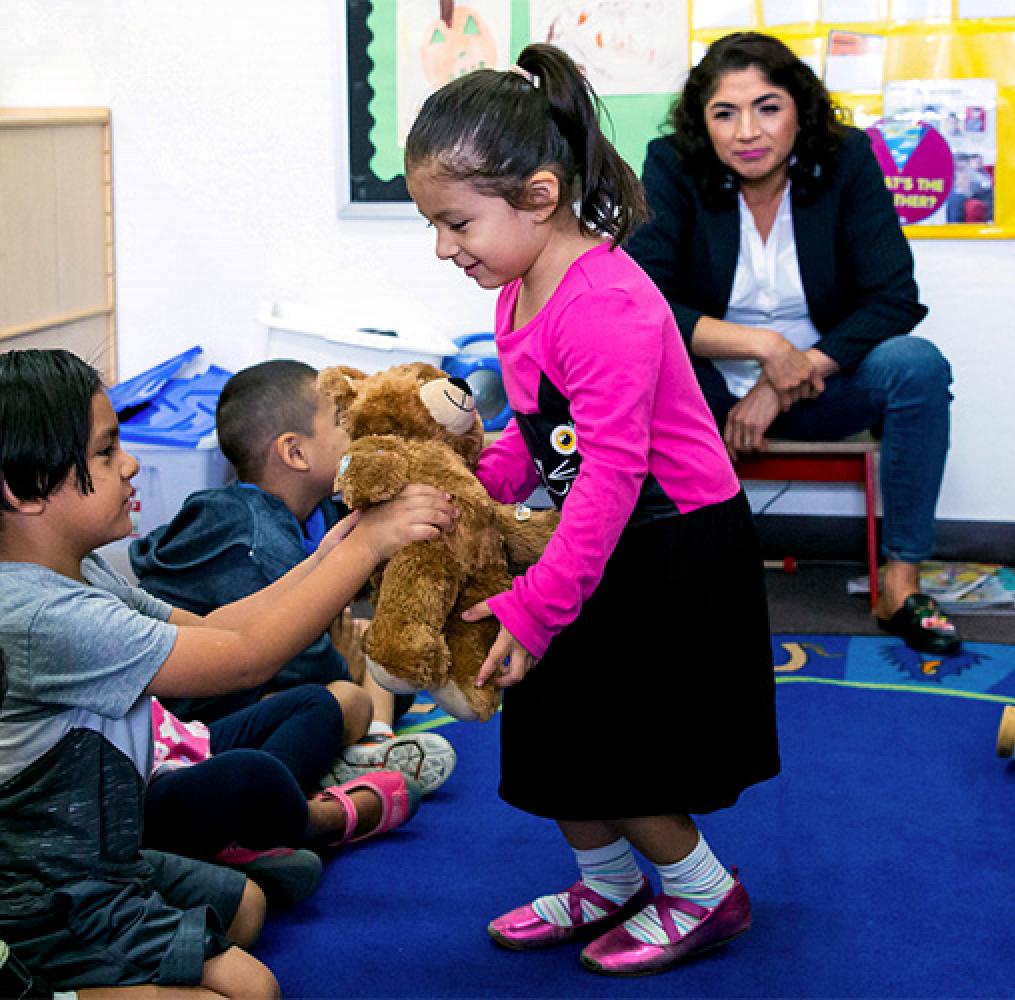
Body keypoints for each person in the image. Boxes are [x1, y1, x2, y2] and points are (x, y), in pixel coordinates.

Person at [404, 43, 779, 978]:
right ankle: (607, 876)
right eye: (434, 227)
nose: (446, 248)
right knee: (550, 718)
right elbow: (541, 436)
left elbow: (611, 472)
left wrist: (538, 604)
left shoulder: (605, 301)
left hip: (669, 543)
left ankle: (701, 891)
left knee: (621, 740)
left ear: (536, 195)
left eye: (456, 223)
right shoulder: (516, 287)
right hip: (594, 535)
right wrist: (475, 486)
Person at [0, 348, 456, 994]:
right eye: (105, 453)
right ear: (22, 490)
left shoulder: (82, 571)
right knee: (252, 990)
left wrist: (328, 555)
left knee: (248, 905)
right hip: (49, 897)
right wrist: (369, 546)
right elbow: (244, 658)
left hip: (103, 860)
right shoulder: (42, 617)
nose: (129, 463)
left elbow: (217, 629)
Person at [625, 31, 959, 657]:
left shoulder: (846, 159)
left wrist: (788, 373)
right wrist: (762, 345)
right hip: (708, 387)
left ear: (799, 111)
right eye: (725, 112)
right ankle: (677, 575)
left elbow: (895, 295)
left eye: (768, 107)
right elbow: (647, 299)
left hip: (819, 383)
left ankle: (900, 580)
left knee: (917, 367)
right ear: (703, 123)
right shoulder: (672, 165)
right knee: (644, 365)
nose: (747, 130)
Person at [129, 359, 456, 795]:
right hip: (204, 713)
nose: (360, 430)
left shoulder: (315, 510)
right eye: (343, 420)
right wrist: (341, 657)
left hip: (269, 677)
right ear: (294, 452)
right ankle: (345, 758)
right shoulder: (249, 532)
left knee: (389, 657)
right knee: (346, 696)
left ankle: (374, 738)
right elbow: (291, 654)